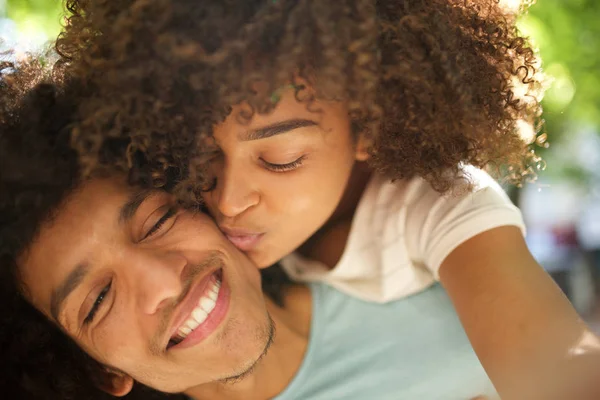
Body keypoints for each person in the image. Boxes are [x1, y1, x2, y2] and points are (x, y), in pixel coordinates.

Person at [55, 0, 600, 398]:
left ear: (371, 124)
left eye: (281, 158)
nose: (229, 201)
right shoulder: (214, 242)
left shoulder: (441, 204)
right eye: (199, 159)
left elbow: (560, 368)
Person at [0, 60, 509, 400]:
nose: (163, 281)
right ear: (99, 369)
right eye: (97, 301)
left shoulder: (405, 244)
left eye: (157, 220)